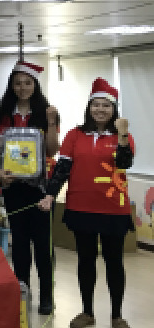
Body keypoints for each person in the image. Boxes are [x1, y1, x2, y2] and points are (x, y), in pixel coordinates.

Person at [38, 78, 134, 328]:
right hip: (82, 206)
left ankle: (117, 315)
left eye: (106, 105)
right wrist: (50, 194)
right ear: (89, 107)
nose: (100, 109)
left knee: (114, 262)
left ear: (114, 109)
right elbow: (62, 168)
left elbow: (124, 163)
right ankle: (87, 311)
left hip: (113, 208)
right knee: (86, 261)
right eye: (96, 105)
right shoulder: (75, 135)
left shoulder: (123, 136)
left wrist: (122, 134)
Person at [0, 60, 59, 315]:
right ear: (11, 85)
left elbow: (52, 150)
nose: (22, 87)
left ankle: (47, 296)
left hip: (40, 189)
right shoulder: (4, 115)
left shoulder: (45, 113)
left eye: (27, 83)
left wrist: (51, 123)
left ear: (35, 85)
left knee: (42, 245)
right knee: (19, 244)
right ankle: (23, 293)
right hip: (13, 188)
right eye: (18, 83)